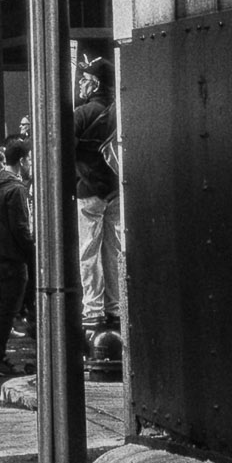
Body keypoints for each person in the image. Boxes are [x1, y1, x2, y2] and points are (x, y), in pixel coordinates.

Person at [75, 57, 123, 343]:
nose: (82, 83)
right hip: (115, 189)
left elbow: (64, 148)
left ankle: (92, 310)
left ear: (95, 83)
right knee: (113, 249)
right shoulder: (120, 110)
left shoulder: (82, 113)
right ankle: (115, 307)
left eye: (85, 79)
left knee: (88, 251)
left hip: (88, 190)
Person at [0, 140, 34, 376]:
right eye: (30, 159)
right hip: (14, 257)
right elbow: (21, 228)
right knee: (8, 309)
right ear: (22, 161)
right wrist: (32, 253)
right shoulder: (17, 189)